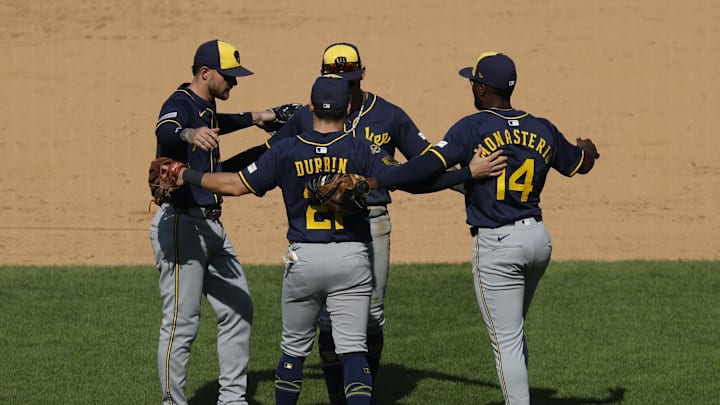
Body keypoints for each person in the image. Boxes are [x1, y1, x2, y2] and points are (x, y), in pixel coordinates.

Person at [163, 75, 507, 404]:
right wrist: (466, 174)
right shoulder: (363, 149)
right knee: (354, 350)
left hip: (304, 261)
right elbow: (410, 179)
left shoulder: (287, 150)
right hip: (353, 260)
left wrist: (185, 174)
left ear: (310, 109)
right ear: (347, 110)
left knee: (294, 352)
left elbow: (235, 185)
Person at [366, 52, 600, 405]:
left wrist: (380, 177)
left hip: (498, 245)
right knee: (513, 333)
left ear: (481, 87)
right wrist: (588, 151)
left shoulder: (472, 128)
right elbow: (580, 163)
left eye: (472, 82)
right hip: (538, 240)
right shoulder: (542, 127)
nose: (470, 87)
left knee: (506, 340)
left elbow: (425, 167)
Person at [265, 42, 436, 404]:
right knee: (328, 322)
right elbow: (267, 157)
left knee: (371, 318)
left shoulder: (388, 115)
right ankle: (338, 398)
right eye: (339, 80)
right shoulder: (306, 116)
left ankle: (364, 396)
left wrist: (465, 179)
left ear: (362, 75)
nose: (347, 87)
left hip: (371, 221)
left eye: (352, 80)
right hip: (320, 235)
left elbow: (424, 164)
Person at [150, 39, 280, 405]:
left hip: (212, 227)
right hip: (181, 225)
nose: (234, 83)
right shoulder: (180, 103)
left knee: (239, 308)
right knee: (181, 323)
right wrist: (188, 135)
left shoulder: (205, 109)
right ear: (205, 73)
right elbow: (165, 129)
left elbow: (220, 136)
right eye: (229, 76)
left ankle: (233, 400)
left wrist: (263, 119)